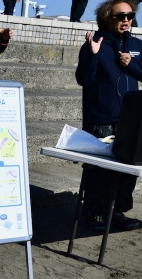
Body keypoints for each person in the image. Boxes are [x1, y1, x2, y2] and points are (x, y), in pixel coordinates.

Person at [75, 0, 142, 231]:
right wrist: (92, 55)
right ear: (106, 18)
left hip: (131, 121)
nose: (126, 20)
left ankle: (116, 212)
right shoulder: (95, 43)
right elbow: (84, 79)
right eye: (120, 16)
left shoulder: (137, 45)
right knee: (100, 171)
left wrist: (131, 65)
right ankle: (94, 214)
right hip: (102, 118)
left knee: (127, 171)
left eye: (130, 16)